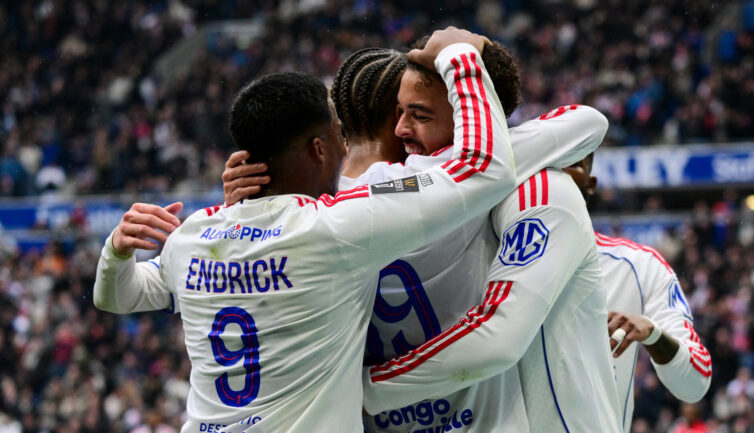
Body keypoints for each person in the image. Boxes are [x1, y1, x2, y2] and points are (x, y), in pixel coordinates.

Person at [106, 37, 608, 432]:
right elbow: (571, 127)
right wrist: (461, 60)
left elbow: (125, 294)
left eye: (421, 113)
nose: (409, 126)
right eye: (405, 112)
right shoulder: (386, 201)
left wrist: (247, 203)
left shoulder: (293, 210)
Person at [562, 154, 712, 432]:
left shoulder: (642, 266)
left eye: (572, 163)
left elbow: (695, 383)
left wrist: (653, 335)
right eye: (546, 163)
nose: (556, 174)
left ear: (590, 183)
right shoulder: (485, 257)